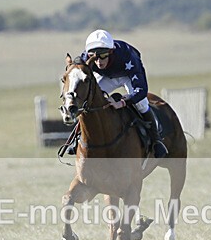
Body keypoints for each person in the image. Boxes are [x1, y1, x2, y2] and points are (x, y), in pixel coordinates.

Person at [67, 29, 168, 158]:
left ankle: (156, 140)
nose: (98, 61)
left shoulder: (128, 57)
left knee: (141, 104)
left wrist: (122, 102)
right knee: (88, 100)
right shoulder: (86, 57)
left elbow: (141, 90)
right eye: (94, 56)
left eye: (103, 55)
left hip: (127, 76)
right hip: (107, 77)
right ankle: (76, 138)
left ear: (111, 51)